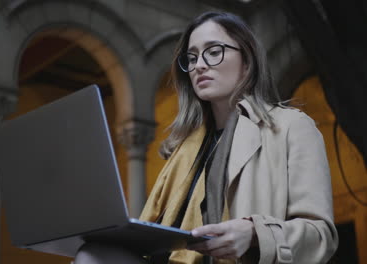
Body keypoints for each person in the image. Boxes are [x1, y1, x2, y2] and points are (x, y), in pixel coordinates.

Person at [74, 11, 338, 264]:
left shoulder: (292, 127)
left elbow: (320, 237)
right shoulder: (184, 149)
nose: (199, 65)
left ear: (246, 60)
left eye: (213, 52)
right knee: (92, 254)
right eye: (191, 58)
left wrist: (256, 233)